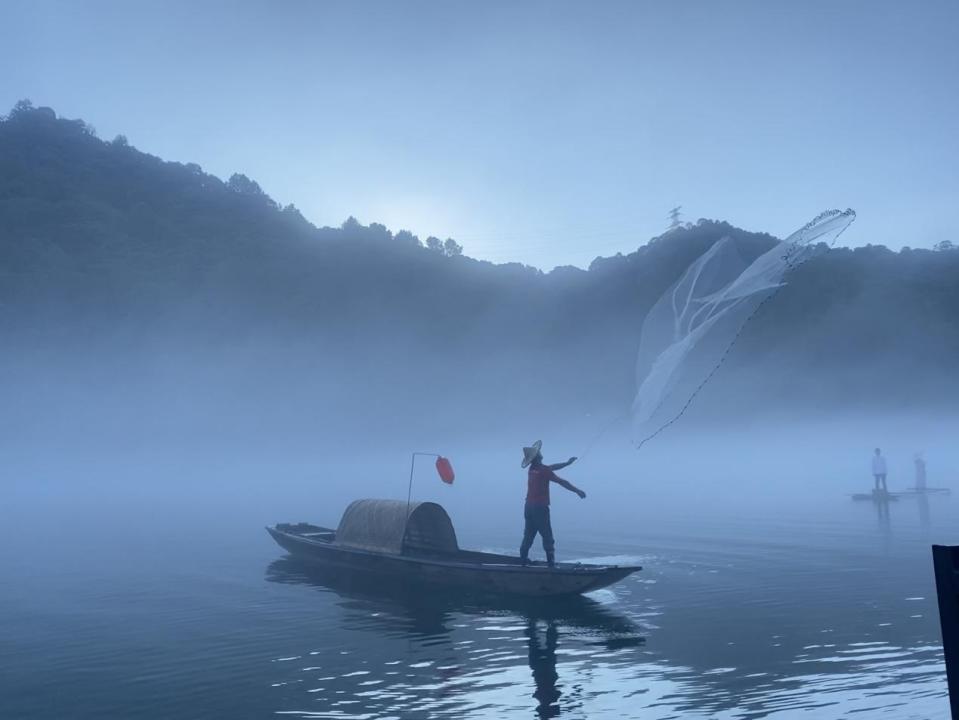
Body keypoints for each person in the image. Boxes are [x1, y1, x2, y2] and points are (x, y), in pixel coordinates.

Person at [520, 440, 586, 567]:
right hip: (540, 508)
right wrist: (577, 491)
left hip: (528, 507)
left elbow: (551, 467)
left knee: (528, 534)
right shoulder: (543, 470)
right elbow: (562, 482)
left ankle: (522, 560)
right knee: (547, 536)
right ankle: (551, 564)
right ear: (538, 456)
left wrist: (567, 463)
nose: (540, 453)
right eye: (539, 452)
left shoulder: (532, 469)